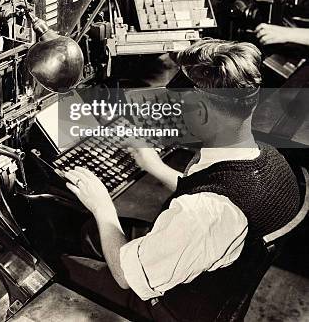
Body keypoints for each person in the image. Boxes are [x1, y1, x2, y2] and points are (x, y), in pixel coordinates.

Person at [62, 39, 301, 321]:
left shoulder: (204, 211)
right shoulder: (271, 160)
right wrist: (155, 166)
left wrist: (102, 205)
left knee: (58, 258)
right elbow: (221, 204)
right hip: (217, 291)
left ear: (200, 111)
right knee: (91, 233)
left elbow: (126, 276)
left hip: (169, 309)